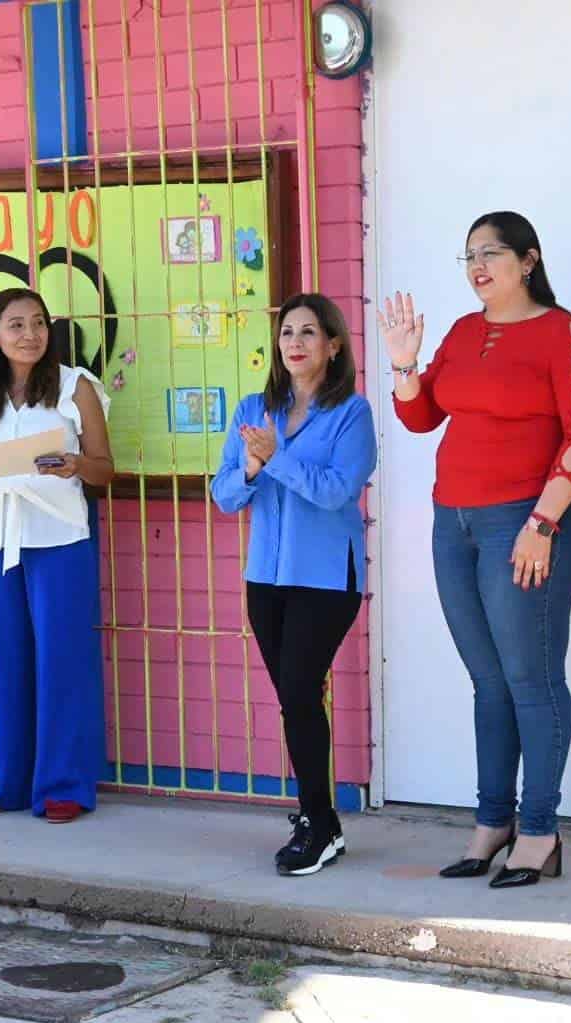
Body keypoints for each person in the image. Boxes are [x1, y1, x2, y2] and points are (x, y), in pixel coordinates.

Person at [383, 211, 571, 889]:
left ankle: (539, 832)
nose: (478, 267)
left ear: (528, 260)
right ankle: (492, 825)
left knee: (530, 680)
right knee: (489, 684)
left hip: (526, 523)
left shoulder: (564, 333)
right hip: (455, 524)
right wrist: (404, 363)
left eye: (492, 254)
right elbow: (421, 417)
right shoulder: (464, 332)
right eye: (469, 256)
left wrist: (542, 523)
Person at [213, 293, 376, 876]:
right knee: (292, 697)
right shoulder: (253, 408)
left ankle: (320, 822)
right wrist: (253, 467)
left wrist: (274, 459)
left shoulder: (352, 413)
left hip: (327, 579)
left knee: (302, 690)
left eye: (310, 332)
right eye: (287, 333)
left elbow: (336, 491)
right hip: (266, 577)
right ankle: (317, 815)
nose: (296, 343)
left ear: (334, 345)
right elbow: (225, 494)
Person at [0, 287, 114, 825]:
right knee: (8, 658)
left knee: (63, 659)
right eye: (16, 325)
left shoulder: (74, 386)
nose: (31, 334)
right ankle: (13, 781)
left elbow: (106, 468)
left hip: (59, 534)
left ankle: (64, 784)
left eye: (38, 323)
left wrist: (76, 465)